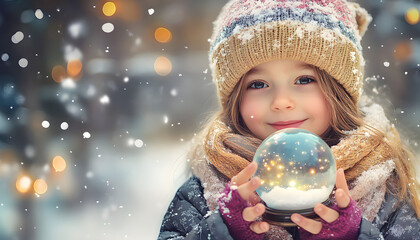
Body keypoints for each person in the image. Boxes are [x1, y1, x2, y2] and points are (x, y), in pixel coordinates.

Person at [159, 0, 420, 239]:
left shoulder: (384, 188)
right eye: (258, 84)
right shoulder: (206, 189)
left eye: (304, 80)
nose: (281, 101)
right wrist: (221, 231)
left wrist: (356, 235)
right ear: (235, 100)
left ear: (339, 91)